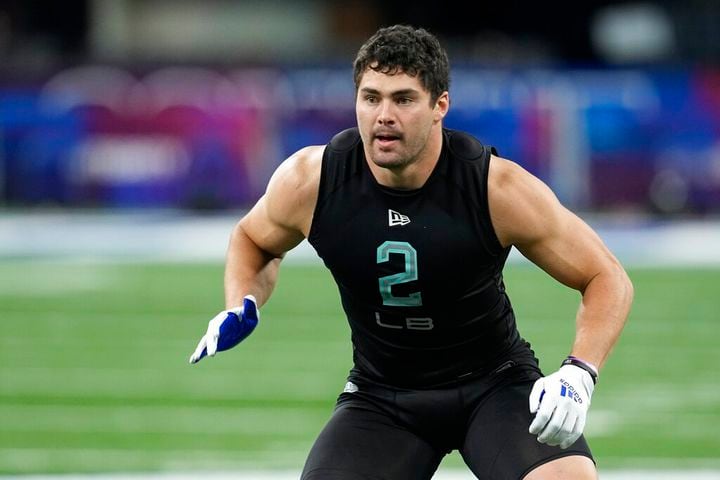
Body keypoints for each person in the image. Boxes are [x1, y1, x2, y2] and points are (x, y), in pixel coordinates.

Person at [189, 24, 633, 480]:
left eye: (402, 99)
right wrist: (240, 301)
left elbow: (606, 276)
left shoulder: (495, 187)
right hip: (383, 395)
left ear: (440, 105)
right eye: (371, 97)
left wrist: (579, 372)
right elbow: (253, 239)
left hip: (495, 384)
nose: (384, 115)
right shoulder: (313, 180)